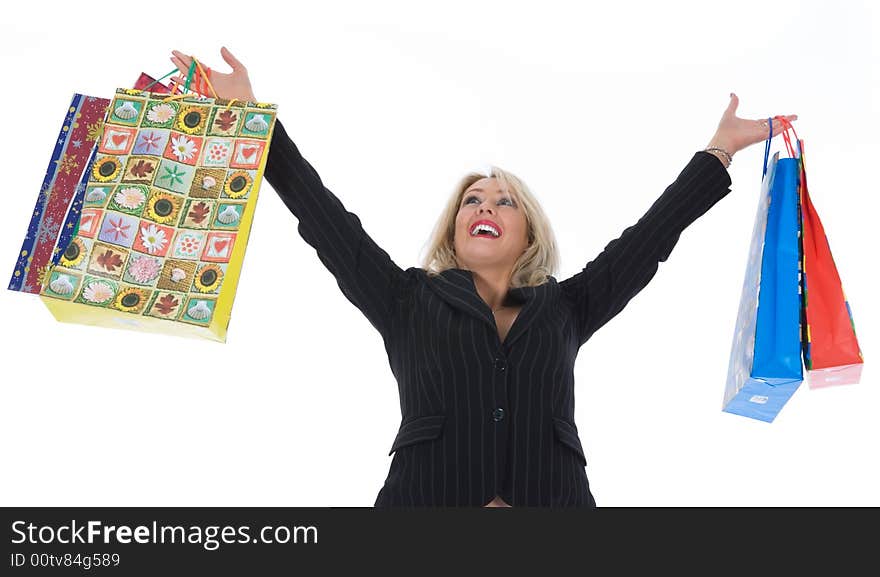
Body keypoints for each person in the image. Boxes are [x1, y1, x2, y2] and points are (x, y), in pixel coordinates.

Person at [170, 48, 797, 507]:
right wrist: (256, 122)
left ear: (529, 230)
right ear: (453, 230)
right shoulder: (406, 300)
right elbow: (324, 218)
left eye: (503, 201)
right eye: (472, 201)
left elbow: (649, 241)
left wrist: (718, 151)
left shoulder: (568, 307)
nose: (485, 208)